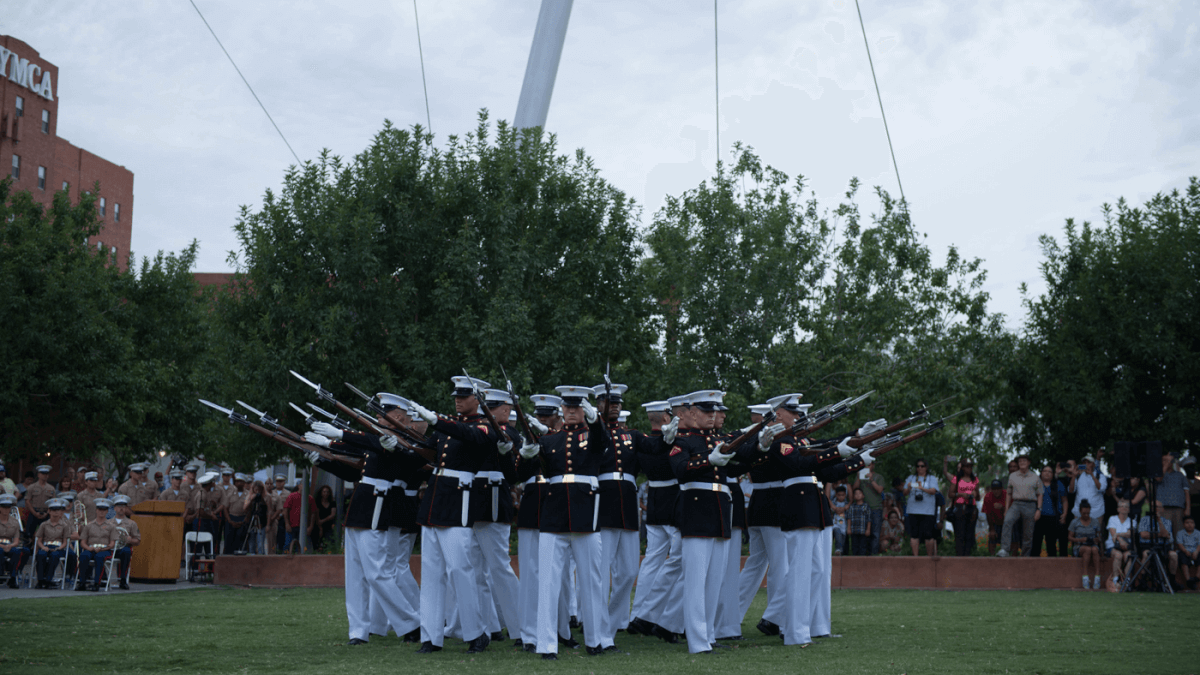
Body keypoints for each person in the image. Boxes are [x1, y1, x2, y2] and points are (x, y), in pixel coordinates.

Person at [405, 375, 505, 655]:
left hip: (458, 500)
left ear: (479, 400)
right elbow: (427, 453)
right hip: (436, 499)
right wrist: (399, 445)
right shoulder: (449, 426)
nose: (458, 400)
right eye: (456, 396)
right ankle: (431, 636)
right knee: (432, 573)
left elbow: (471, 437)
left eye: (464, 396)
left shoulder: (486, 427)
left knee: (461, 570)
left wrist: (436, 421)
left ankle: (476, 633)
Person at [517, 384, 608, 659]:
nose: (571, 411)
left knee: (591, 583)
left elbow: (601, 441)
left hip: (585, 517)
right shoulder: (549, 441)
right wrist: (525, 455)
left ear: (584, 410)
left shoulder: (592, 436)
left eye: (576, 406)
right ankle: (546, 644)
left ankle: (594, 640)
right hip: (553, 517)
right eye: (567, 407)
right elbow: (520, 474)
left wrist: (595, 420)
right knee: (547, 583)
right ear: (561, 410)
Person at [997, 455, 1042, 557]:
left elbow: (1040, 494)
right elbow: (1009, 493)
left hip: (1030, 504)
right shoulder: (1012, 476)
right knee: (1007, 520)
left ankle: (1025, 555)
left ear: (1029, 462)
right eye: (1020, 461)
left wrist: (1039, 509)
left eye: (1024, 460)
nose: (1022, 462)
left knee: (1028, 532)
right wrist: (1006, 509)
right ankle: (1004, 549)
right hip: (1016, 504)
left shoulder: (1035, 477)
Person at [943, 456, 981, 557]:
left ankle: (968, 556)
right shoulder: (957, 479)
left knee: (970, 534)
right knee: (960, 534)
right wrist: (960, 494)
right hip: (960, 507)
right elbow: (950, 494)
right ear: (963, 468)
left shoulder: (975, 480)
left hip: (971, 507)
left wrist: (975, 493)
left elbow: (978, 497)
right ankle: (959, 557)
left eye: (971, 467)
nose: (969, 469)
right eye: (967, 467)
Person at [75, 498, 115, 591]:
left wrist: (102, 549)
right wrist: (89, 548)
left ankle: (97, 583)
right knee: (83, 555)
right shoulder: (89, 525)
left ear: (107, 511)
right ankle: (82, 583)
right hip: (91, 549)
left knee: (99, 557)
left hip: (105, 550)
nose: (102, 512)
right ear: (96, 510)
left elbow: (112, 544)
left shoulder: (111, 526)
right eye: (100, 509)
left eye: (104, 510)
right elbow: (83, 542)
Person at [1137, 501, 1178, 588]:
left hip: (1163, 546)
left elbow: (1166, 535)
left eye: (1157, 507)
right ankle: (1143, 581)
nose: (1155, 509)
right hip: (1147, 545)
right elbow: (1143, 535)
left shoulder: (1167, 522)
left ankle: (1172, 581)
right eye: (1153, 507)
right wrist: (1159, 534)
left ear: (1162, 509)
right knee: (1146, 554)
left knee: (1174, 555)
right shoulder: (1144, 519)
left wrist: (1159, 520)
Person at [904, 458, 939, 557]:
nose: (920, 468)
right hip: (913, 510)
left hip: (927, 511)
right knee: (914, 534)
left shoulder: (931, 478)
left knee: (928, 535)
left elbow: (933, 491)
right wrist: (910, 487)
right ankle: (916, 557)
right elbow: (904, 492)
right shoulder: (911, 478)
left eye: (922, 466)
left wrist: (922, 488)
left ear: (926, 467)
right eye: (918, 466)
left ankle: (929, 557)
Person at [34, 498, 71, 588]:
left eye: (58, 510)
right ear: (49, 511)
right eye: (53, 510)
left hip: (58, 547)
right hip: (46, 546)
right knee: (41, 554)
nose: (56, 512)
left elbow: (65, 542)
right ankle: (40, 580)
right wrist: (43, 547)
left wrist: (59, 548)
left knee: (54, 555)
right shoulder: (44, 524)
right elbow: (39, 540)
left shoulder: (64, 525)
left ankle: (48, 580)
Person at [1033, 465, 1068, 557]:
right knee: (1036, 543)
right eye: (1045, 471)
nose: (1047, 473)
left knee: (1051, 544)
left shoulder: (1058, 484)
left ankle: (1052, 568)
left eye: (1050, 471)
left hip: (1053, 517)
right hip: (1038, 517)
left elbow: (1064, 500)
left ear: (1053, 474)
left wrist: (1065, 513)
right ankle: (1033, 568)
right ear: (1041, 473)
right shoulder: (1036, 484)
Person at [1067, 500, 1103, 590]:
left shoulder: (1095, 522)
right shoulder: (1075, 522)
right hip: (1079, 546)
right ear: (1080, 512)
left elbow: (1099, 536)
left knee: (1094, 550)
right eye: (1084, 513)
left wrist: (1096, 539)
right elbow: (1069, 537)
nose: (1086, 515)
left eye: (1088, 513)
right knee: (1087, 550)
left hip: (1092, 545)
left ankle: (1097, 577)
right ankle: (1085, 577)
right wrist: (1080, 539)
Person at [109, 495, 142, 589]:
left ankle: (122, 579)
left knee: (127, 552)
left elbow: (138, 541)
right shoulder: (108, 523)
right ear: (115, 508)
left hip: (123, 548)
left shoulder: (132, 523)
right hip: (110, 548)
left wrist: (130, 540)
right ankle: (103, 579)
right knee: (101, 552)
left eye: (123, 506)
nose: (121, 509)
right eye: (119, 506)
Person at [853, 460, 886, 554]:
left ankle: (874, 556)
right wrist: (859, 477)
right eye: (865, 464)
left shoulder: (878, 477)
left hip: (875, 508)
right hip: (862, 509)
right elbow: (854, 489)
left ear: (873, 465)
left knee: (875, 534)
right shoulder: (860, 476)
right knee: (864, 534)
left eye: (869, 464)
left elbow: (880, 490)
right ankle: (863, 556)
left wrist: (871, 479)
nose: (867, 466)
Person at [1158, 454, 1191, 542]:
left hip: (1178, 509)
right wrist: (1165, 466)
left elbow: (1186, 493)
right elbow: (1159, 479)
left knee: (1179, 533)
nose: (1167, 462)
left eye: (1169, 461)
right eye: (1164, 460)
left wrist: (1187, 508)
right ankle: (1166, 553)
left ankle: (1178, 553)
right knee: (1165, 532)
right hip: (1164, 509)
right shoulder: (1158, 475)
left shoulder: (1180, 475)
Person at [0, 495, 30, 587]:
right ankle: (1, 574)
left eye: (8, 507)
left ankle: (13, 577)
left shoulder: (15, 521)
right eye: (3, 507)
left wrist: (10, 546)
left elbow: (16, 540)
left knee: (17, 551)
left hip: (10, 545)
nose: (6, 509)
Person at [1070, 452, 1108, 523]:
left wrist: (1092, 475)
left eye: (1089, 462)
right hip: (1079, 511)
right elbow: (1071, 490)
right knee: (1078, 533)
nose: (1086, 464)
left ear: (1093, 464)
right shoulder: (1078, 476)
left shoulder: (1100, 476)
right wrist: (1074, 476)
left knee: (1097, 533)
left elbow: (1101, 488)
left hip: (1096, 511)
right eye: (1084, 462)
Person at [1106, 499, 1135, 587]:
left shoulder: (1132, 521)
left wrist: (1118, 534)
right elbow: (1112, 533)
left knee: (1128, 556)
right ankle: (1115, 580)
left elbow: (1130, 534)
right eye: (1122, 506)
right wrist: (1121, 539)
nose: (1124, 508)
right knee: (1118, 555)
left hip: (1126, 547)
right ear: (1118, 509)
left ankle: (1126, 581)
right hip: (1113, 546)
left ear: (1129, 510)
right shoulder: (1112, 518)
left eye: (1126, 507)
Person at [25, 465, 56, 535]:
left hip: (46, 513)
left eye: (46, 474)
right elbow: (27, 501)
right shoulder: (31, 487)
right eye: (43, 473)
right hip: (34, 512)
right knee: (29, 534)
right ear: (38, 474)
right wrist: (34, 513)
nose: (45, 475)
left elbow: (52, 503)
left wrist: (47, 512)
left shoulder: (51, 488)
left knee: (48, 533)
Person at [244, 480, 270, 554]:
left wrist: (268, 524)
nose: (258, 492)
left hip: (262, 523)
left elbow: (269, 512)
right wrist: (251, 499)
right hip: (251, 523)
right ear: (253, 489)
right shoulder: (249, 496)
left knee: (260, 545)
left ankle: (261, 559)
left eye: (259, 490)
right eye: (256, 490)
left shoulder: (267, 497)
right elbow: (244, 508)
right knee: (251, 544)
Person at [981, 479, 1006, 555]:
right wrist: (992, 529)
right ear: (991, 490)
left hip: (1007, 523)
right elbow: (987, 514)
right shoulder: (988, 497)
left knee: (1012, 540)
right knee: (992, 537)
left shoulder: (1007, 495)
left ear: (1002, 489)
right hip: (994, 522)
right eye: (994, 489)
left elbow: (1012, 511)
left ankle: (1013, 557)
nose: (996, 491)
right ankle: (991, 558)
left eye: (998, 489)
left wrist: (1002, 507)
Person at [1176, 515, 1199, 591]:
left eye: (1192, 523)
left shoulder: (1198, 533)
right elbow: (1180, 544)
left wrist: (1196, 551)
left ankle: (1197, 578)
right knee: (1182, 558)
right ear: (1183, 524)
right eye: (1187, 523)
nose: (1189, 525)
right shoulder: (1180, 533)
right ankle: (1188, 580)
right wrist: (1186, 551)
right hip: (1185, 551)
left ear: (1194, 524)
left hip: (1195, 551)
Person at [847, 488, 872, 556]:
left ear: (863, 496)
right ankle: (855, 562)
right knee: (854, 547)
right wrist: (848, 528)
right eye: (856, 494)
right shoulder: (852, 507)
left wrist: (868, 529)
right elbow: (849, 518)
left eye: (859, 493)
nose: (858, 495)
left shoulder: (866, 506)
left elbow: (869, 519)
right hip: (854, 531)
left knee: (863, 547)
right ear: (853, 496)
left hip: (863, 531)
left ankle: (862, 563)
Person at [313, 484, 335, 550]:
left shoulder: (332, 502)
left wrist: (323, 521)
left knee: (328, 542)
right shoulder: (317, 502)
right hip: (317, 525)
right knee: (317, 543)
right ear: (321, 493)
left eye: (327, 492)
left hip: (328, 526)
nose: (326, 493)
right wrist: (320, 526)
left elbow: (333, 514)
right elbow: (315, 514)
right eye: (324, 492)